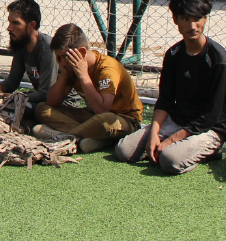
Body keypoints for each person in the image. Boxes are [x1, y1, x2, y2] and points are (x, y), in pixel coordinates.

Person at [114, 0, 226, 174]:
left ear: (205, 19)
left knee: (169, 160)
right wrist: (154, 133)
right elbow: (165, 100)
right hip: (178, 121)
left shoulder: (218, 59)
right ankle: (172, 145)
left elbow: (211, 116)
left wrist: (171, 140)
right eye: (186, 19)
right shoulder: (173, 54)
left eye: (197, 19)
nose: (192, 26)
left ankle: (210, 150)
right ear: (175, 20)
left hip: (209, 129)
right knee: (123, 150)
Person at [31, 23, 143, 153]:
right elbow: (52, 102)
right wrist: (65, 75)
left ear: (82, 52)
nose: (62, 62)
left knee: (103, 121)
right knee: (42, 109)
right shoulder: (70, 67)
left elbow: (103, 109)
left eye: (65, 57)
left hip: (123, 119)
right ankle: (93, 138)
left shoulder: (107, 68)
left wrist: (83, 75)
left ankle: (65, 138)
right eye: (58, 57)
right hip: (92, 116)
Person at [0, 0, 56, 110]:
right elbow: (13, 81)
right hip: (38, 98)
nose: (9, 28)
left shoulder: (47, 49)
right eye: (9, 22)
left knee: (20, 108)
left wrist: (7, 98)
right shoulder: (21, 43)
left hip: (58, 104)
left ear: (31, 26)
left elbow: (45, 94)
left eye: (15, 23)